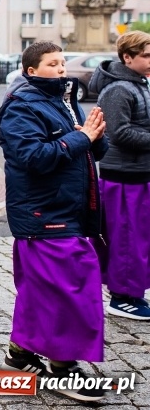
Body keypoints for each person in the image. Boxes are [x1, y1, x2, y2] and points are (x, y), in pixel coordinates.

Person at [0, 41, 108, 402]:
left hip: (68, 211)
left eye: (63, 62)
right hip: (43, 215)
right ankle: (63, 368)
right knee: (70, 291)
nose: (61, 68)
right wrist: (81, 137)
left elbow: (87, 148)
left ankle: (19, 356)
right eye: (52, 63)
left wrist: (95, 138)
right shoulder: (20, 106)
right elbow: (34, 157)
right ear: (31, 71)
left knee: (40, 291)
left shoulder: (64, 98)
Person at [89, 30, 150, 320]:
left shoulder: (138, 84)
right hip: (123, 178)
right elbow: (120, 133)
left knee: (138, 239)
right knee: (126, 239)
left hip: (138, 174)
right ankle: (122, 297)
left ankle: (131, 292)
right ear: (128, 57)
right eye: (146, 56)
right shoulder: (118, 90)